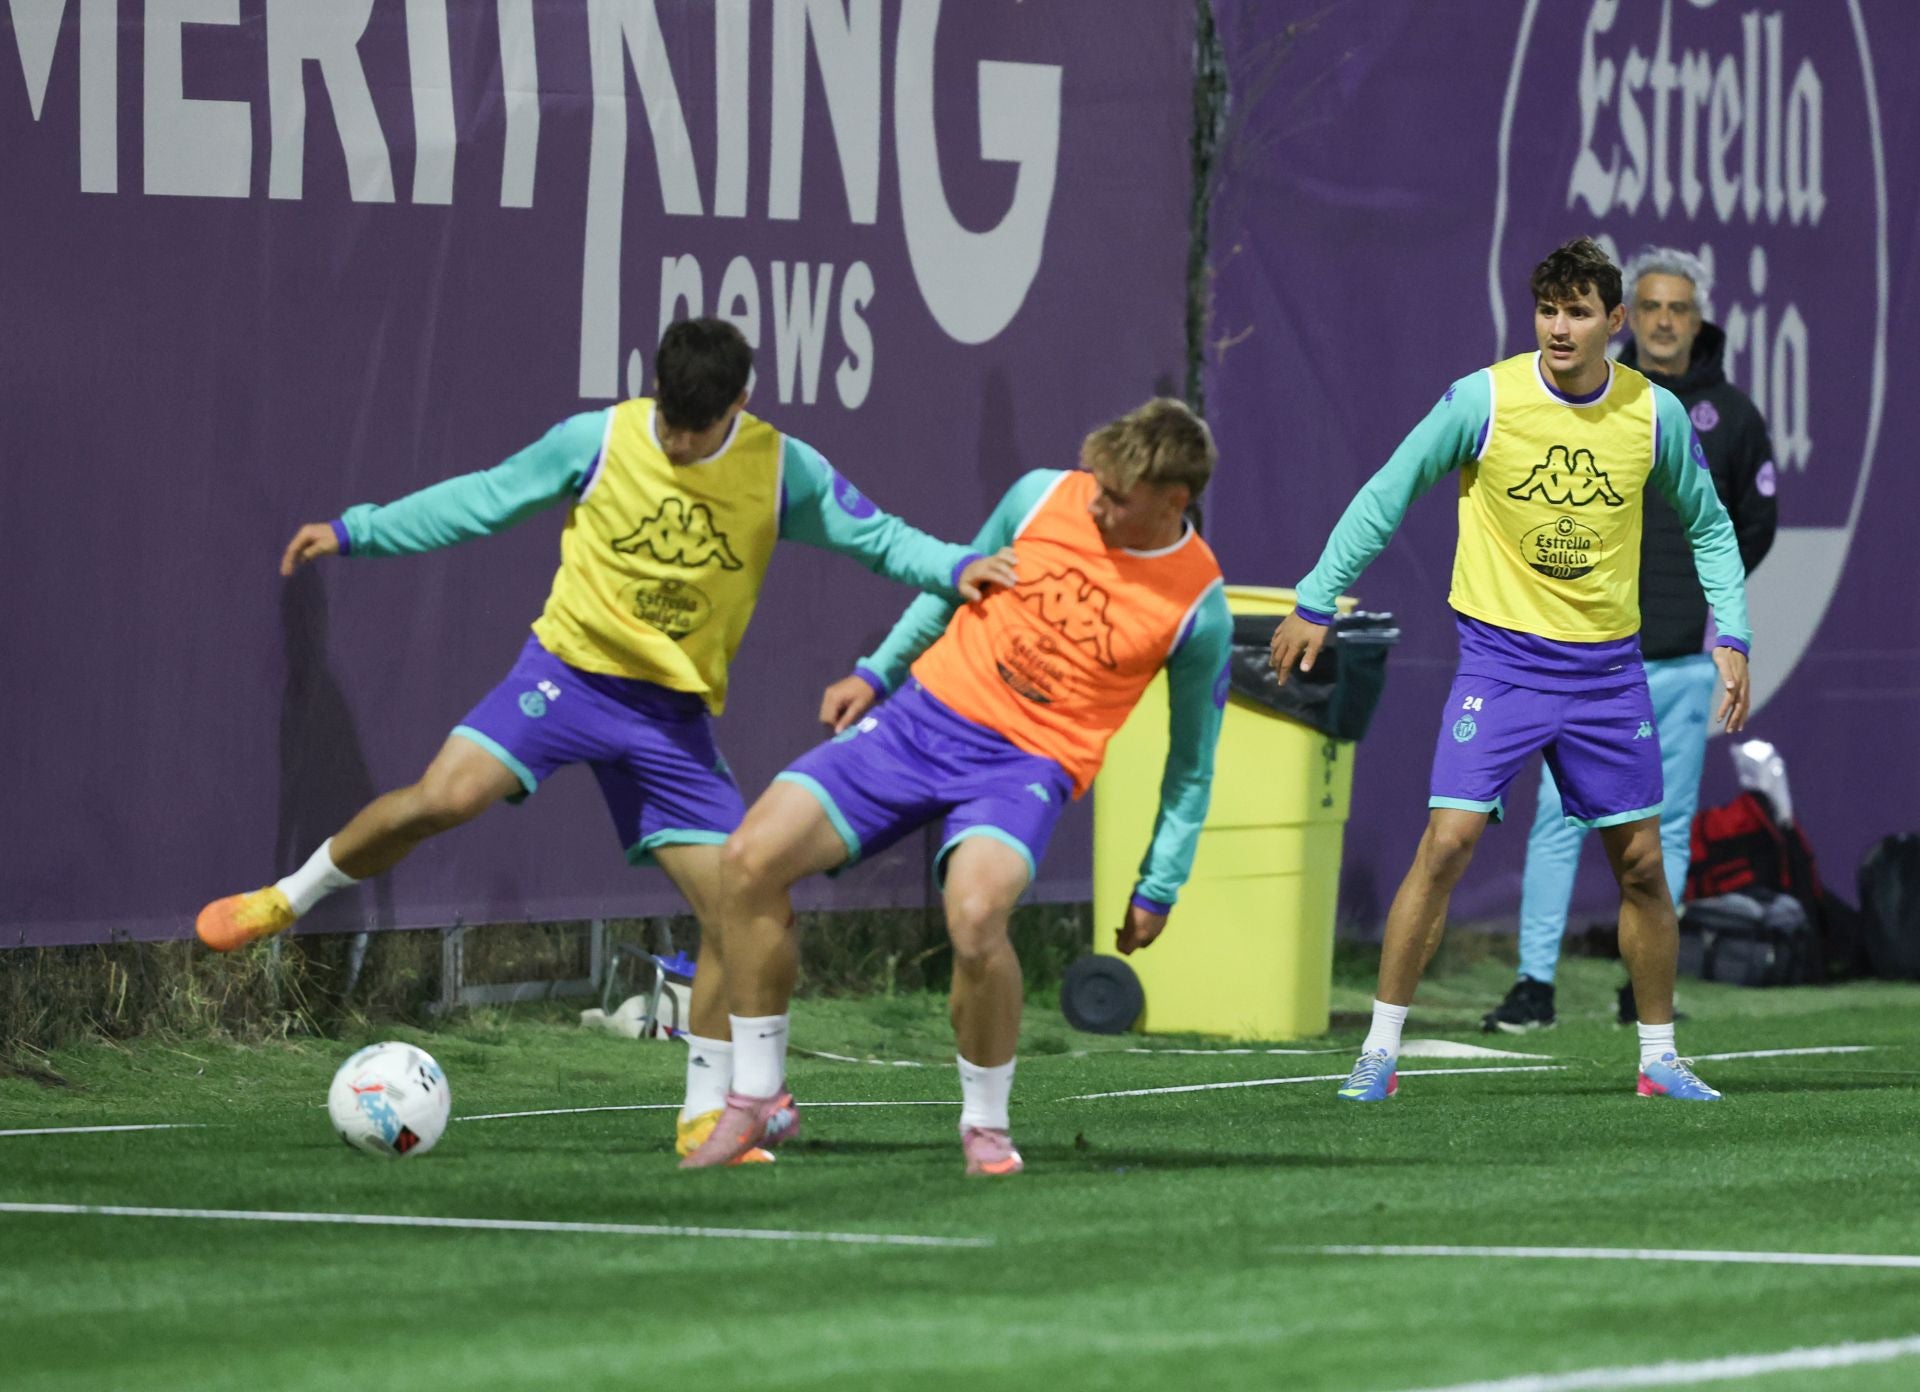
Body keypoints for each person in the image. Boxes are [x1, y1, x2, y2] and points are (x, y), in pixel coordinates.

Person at [195, 318, 1016, 1162]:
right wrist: (359, 529)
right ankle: (286, 898)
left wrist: (956, 568)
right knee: (444, 798)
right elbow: (484, 497)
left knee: (739, 905)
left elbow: (880, 537)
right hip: (567, 679)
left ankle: (705, 1113)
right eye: (671, 421)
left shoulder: (783, 470)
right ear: (655, 387)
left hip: (671, 723)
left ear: (741, 401)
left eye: (698, 428)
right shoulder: (598, 439)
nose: (680, 442)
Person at [680, 398, 1231, 1174]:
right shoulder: (1041, 496)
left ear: (1175, 499)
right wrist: (876, 674)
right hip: (916, 724)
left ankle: (986, 1128)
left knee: (975, 921)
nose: (1095, 503)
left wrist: (1160, 883)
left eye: (1116, 496)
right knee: (747, 861)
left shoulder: (1198, 606)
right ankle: (760, 1096)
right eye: (1096, 485)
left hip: (1024, 767)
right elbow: (953, 587)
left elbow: (1192, 762)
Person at [1268, 237, 1751, 1103]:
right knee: (1448, 843)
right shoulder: (1483, 399)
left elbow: (1711, 525)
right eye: (1547, 310)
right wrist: (1316, 596)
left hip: (1608, 676)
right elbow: (1389, 489)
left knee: (1643, 866)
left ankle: (1658, 1058)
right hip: (1503, 666)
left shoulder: (1654, 414)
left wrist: (1735, 634)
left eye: (1578, 313)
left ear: (1614, 321)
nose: (1559, 329)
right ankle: (1379, 1052)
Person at [1485, 246, 1778, 1032]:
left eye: (1678, 308)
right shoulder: (1593, 399)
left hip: (1677, 659)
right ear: (1627, 317)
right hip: (1585, 654)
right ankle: (1534, 986)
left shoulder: (1732, 417)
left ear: (1699, 319)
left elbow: (1749, 526)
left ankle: (1643, 989)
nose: (1663, 321)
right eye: (1651, 306)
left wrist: (1695, 599)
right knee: (1559, 818)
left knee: (1665, 827)